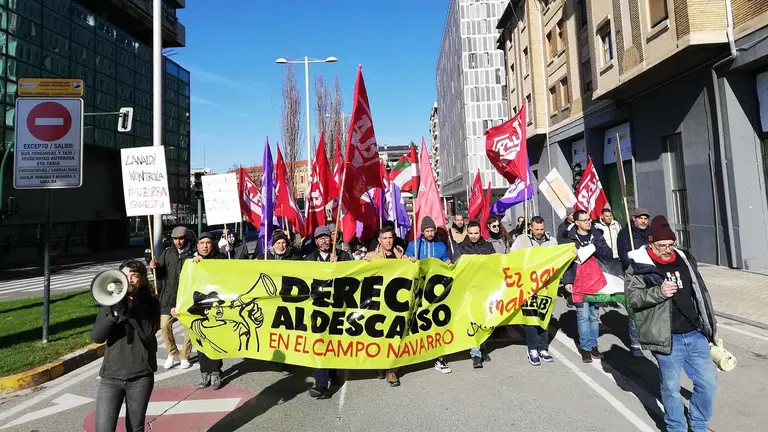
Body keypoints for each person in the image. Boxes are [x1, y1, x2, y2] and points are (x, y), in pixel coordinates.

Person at [625, 215, 717, 432]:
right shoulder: (639, 266)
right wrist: (659, 292)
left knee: (708, 384)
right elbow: (632, 299)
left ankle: (699, 423)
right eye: (662, 245)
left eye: (670, 244)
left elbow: (699, 290)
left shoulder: (684, 258)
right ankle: (676, 427)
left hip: (695, 333)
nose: (667, 249)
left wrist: (708, 325)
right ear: (650, 242)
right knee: (672, 388)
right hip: (666, 337)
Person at [91, 260, 160, 432]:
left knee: (135, 428)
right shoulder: (110, 304)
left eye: (134, 275)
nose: (129, 280)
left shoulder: (151, 304)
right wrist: (114, 312)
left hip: (140, 376)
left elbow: (147, 332)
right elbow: (97, 337)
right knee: (103, 428)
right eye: (125, 275)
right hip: (111, 377)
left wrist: (132, 309)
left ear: (142, 279)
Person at [304, 226, 351, 399]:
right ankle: (321, 384)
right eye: (320, 238)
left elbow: (353, 277)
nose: (324, 241)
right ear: (316, 242)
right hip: (318, 308)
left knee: (333, 343)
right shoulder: (309, 259)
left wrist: (337, 266)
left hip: (339, 307)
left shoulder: (343, 256)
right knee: (319, 343)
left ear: (332, 239)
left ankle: (333, 373)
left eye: (326, 238)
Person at [561, 210, 614, 363]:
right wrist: (567, 281)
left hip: (596, 281)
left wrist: (594, 247)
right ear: (576, 222)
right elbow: (567, 263)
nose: (588, 222)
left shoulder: (596, 235)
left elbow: (608, 254)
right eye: (584, 220)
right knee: (583, 316)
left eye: (589, 219)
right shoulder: (569, 238)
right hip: (579, 282)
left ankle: (594, 346)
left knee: (593, 316)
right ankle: (585, 348)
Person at [364, 225, 410, 383]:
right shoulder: (371, 256)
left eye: (390, 238)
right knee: (378, 336)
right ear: (379, 240)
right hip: (378, 303)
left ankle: (392, 370)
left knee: (393, 336)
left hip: (396, 304)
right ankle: (379, 365)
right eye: (385, 238)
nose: (388, 241)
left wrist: (412, 263)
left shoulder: (400, 255)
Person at [510, 216, 557, 365]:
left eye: (542, 229)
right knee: (531, 318)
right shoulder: (522, 240)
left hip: (546, 285)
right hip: (528, 285)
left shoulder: (552, 241)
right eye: (536, 229)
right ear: (531, 228)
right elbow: (512, 257)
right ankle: (532, 349)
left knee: (544, 316)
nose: (539, 232)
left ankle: (543, 348)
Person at [150, 226, 195, 369]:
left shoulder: (193, 254)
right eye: (175, 239)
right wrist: (154, 266)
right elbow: (160, 272)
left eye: (181, 239)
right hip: (168, 295)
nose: (178, 242)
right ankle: (172, 352)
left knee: (189, 327)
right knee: (164, 325)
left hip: (187, 296)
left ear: (186, 238)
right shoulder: (168, 252)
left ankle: (185, 356)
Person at [453, 221, 495, 368]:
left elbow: (495, 265)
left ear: (480, 232)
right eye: (470, 233)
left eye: (476, 233)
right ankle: (475, 353)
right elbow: (457, 266)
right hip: (469, 289)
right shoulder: (461, 247)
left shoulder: (488, 247)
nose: (473, 236)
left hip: (485, 288)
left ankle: (482, 347)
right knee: (473, 320)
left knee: (486, 320)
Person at [190, 232, 227, 390]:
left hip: (216, 305)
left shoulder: (222, 259)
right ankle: (204, 372)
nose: (205, 246)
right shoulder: (191, 261)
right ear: (197, 245)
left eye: (208, 243)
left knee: (215, 338)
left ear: (213, 245)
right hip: (198, 306)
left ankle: (215, 372)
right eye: (202, 243)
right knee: (200, 338)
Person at [617, 206, 651, 357]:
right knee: (635, 309)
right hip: (634, 274)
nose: (643, 221)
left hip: (650, 274)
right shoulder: (626, 234)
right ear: (634, 219)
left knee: (650, 308)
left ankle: (649, 338)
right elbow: (623, 254)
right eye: (640, 218)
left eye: (645, 218)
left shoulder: (650, 232)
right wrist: (631, 262)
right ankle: (636, 343)